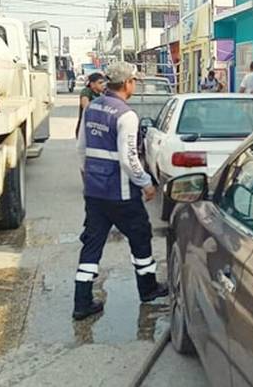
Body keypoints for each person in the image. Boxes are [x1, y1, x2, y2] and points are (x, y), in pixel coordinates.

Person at [74, 61, 168, 321]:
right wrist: (146, 183)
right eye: (134, 80)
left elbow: (81, 147)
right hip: (121, 194)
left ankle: (81, 302)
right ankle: (148, 288)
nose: (134, 84)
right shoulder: (126, 115)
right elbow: (128, 158)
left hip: (95, 192)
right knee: (140, 235)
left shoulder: (92, 107)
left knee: (92, 243)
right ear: (128, 83)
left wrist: (87, 177)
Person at [75, 72, 106, 138]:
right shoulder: (87, 91)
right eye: (100, 83)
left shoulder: (103, 94)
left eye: (103, 83)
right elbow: (85, 106)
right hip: (86, 128)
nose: (103, 85)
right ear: (92, 84)